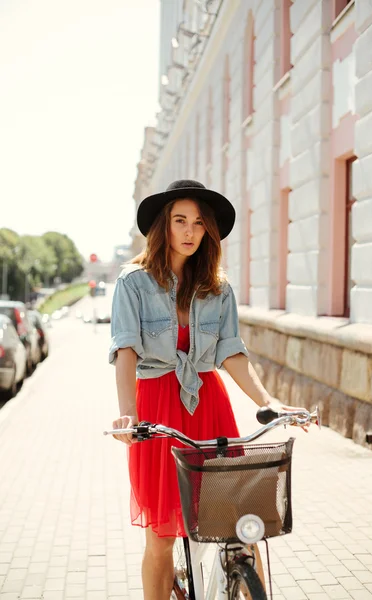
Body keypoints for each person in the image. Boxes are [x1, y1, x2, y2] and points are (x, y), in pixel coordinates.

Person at [109, 180, 305, 600]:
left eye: (199, 223)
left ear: (208, 231)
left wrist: (269, 403)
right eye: (180, 220)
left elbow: (232, 352)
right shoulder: (134, 284)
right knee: (160, 537)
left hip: (208, 402)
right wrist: (128, 413)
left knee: (239, 522)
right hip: (156, 408)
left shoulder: (219, 287)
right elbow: (124, 348)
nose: (189, 231)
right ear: (164, 226)